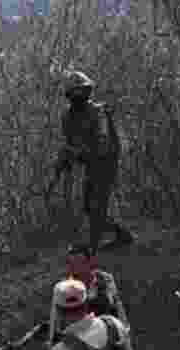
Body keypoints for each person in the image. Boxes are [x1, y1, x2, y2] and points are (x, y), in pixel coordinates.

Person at [54, 71, 135, 252]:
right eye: (73, 92)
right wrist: (64, 160)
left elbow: (103, 144)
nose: (77, 96)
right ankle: (122, 234)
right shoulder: (68, 116)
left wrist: (78, 153)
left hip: (105, 160)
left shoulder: (98, 112)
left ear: (87, 91)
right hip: (88, 162)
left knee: (98, 201)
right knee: (89, 205)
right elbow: (69, 141)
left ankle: (93, 246)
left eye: (80, 91)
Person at [47, 243, 130, 346]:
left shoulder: (105, 279)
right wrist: (53, 342)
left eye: (79, 263)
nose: (73, 268)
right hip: (80, 346)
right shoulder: (64, 288)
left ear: (90, 261)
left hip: (108, 339)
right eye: (70, 263)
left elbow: (118, 307)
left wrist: (124, 331)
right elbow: (56, 321)